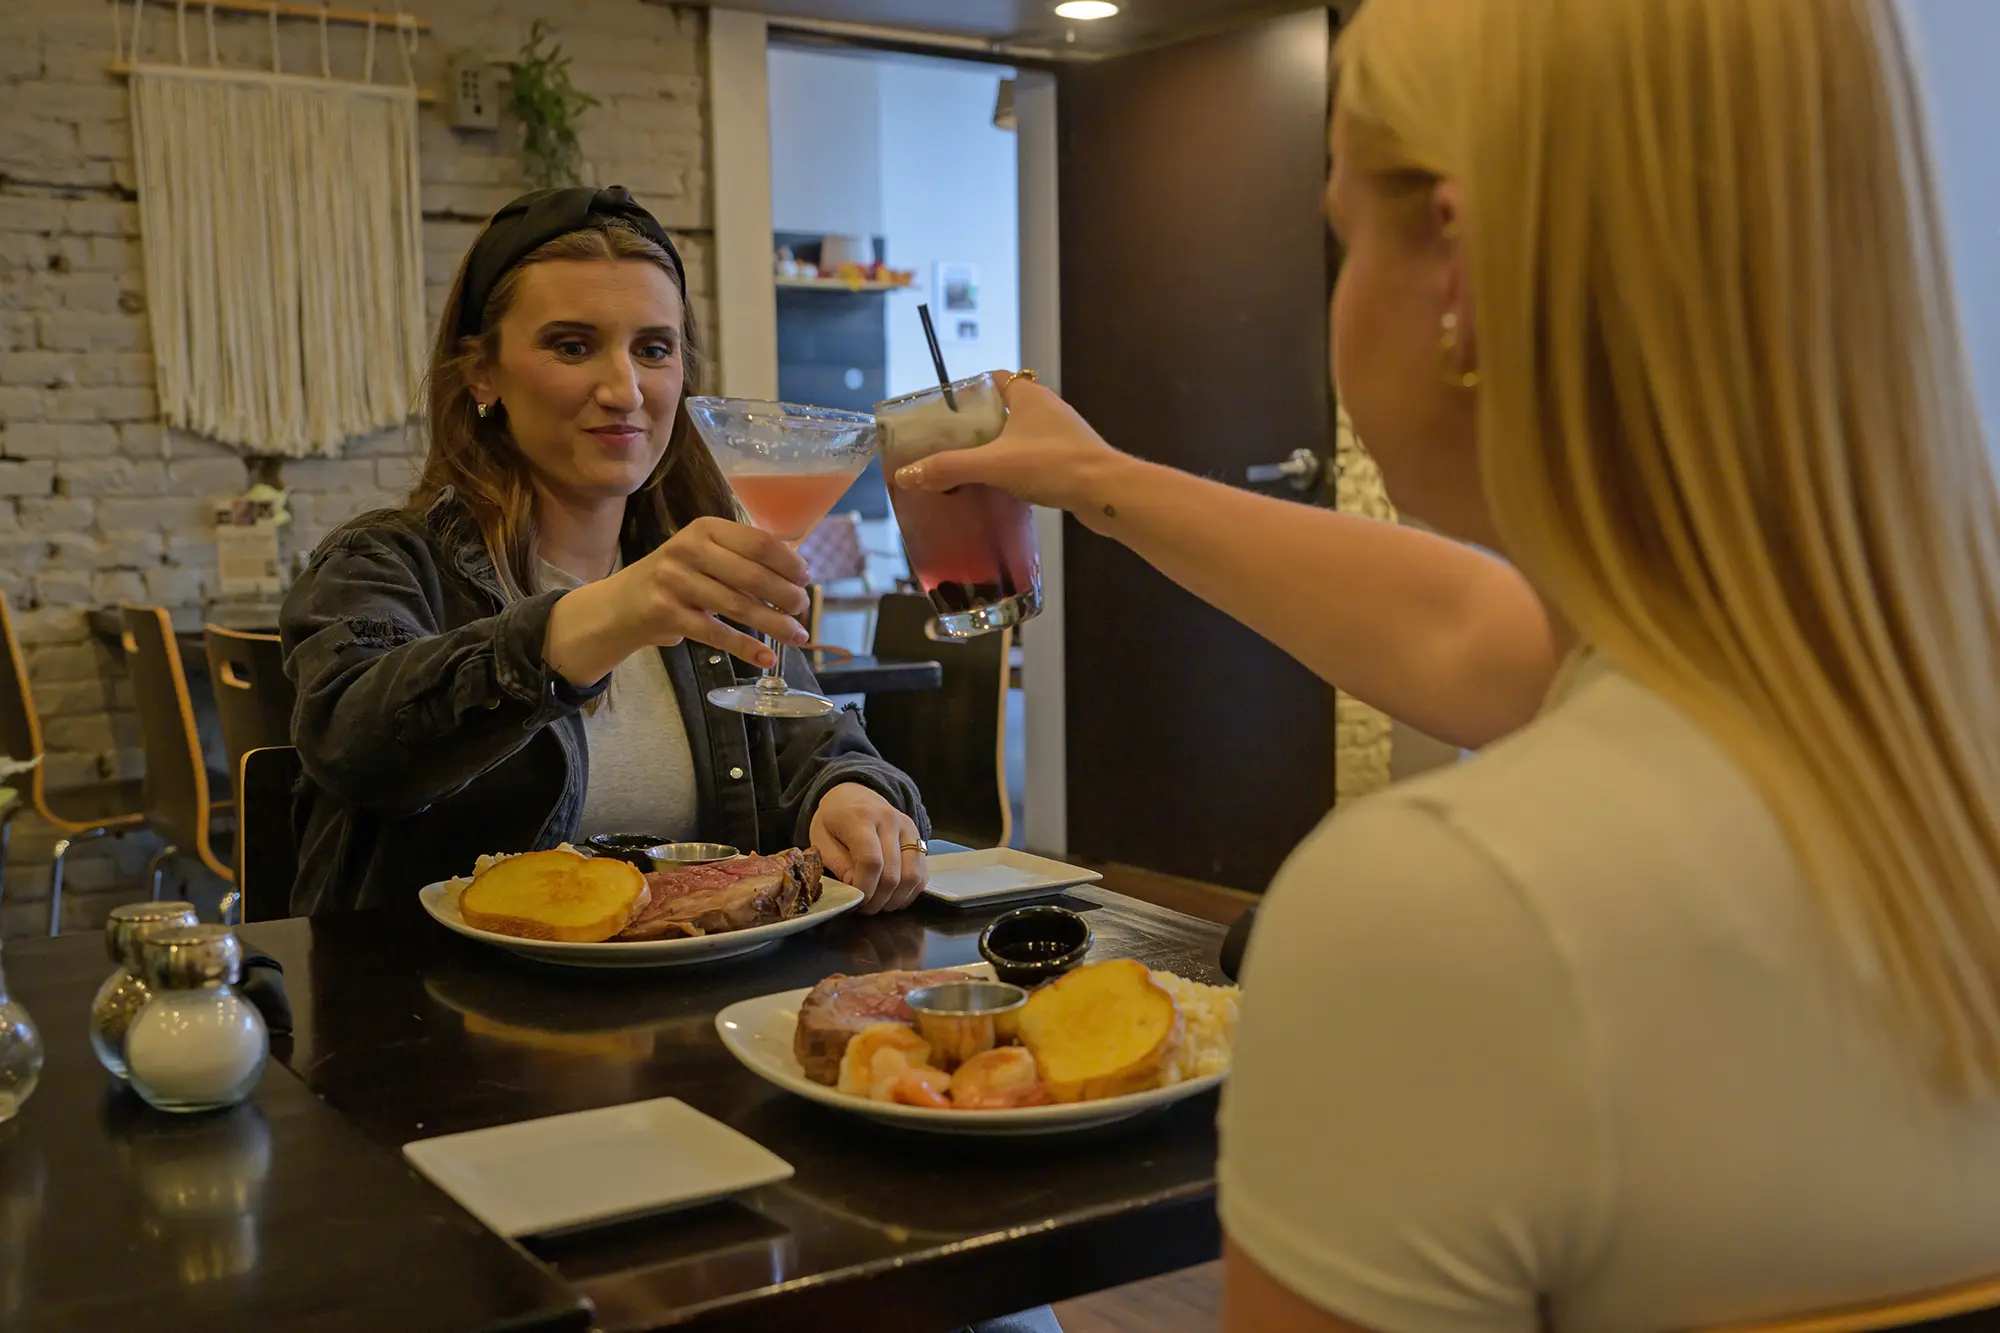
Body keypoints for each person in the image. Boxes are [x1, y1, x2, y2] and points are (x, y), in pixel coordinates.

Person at [898, 0, 2000, 1328]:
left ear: (1461, 271)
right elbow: (1477, 634)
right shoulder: (1898, 735)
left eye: (1341, 234)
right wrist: (1099, 480)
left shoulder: (1442, 917)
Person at [282, 187, 930, 917]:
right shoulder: (380, 562)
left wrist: (850, 794)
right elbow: (354, 743)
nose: (624, 389)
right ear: (481, 374)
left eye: (653, 349)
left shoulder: (700, 566)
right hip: (427, 1015)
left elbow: (816, 743)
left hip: (694, 1012)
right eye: (571, 345)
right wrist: (598, 620)